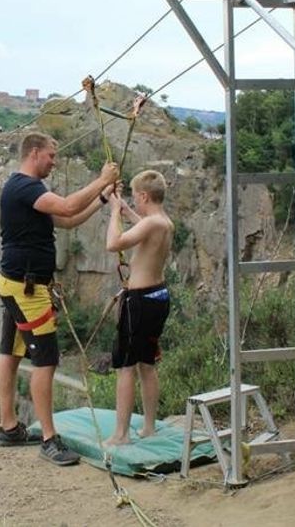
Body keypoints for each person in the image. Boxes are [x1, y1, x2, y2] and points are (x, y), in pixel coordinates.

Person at [0, 131, 120, 465]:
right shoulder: (26, 187)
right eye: (51, 155)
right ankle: (49, 439)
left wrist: (103, 198)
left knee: (10, 352)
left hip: (16, 284)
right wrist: (101, 179)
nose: (55, 160)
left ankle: (8, 427)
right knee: (46, 361)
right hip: (28, 289)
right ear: (34, 153)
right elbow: (66, 205)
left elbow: (67, 220)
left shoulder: (24, 190)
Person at [104, 170, 174, 444]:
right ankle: (148, 426)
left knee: (126, 366)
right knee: (147, 364)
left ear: (144, 195)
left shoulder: (151, 223)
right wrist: (124, 209)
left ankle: (121, 434)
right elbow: (142, 228)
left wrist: (113, 213)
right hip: (158, 296)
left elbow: (114, 243)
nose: (135, 201)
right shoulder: (164, 222)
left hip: (140, 301)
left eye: (135, 197)